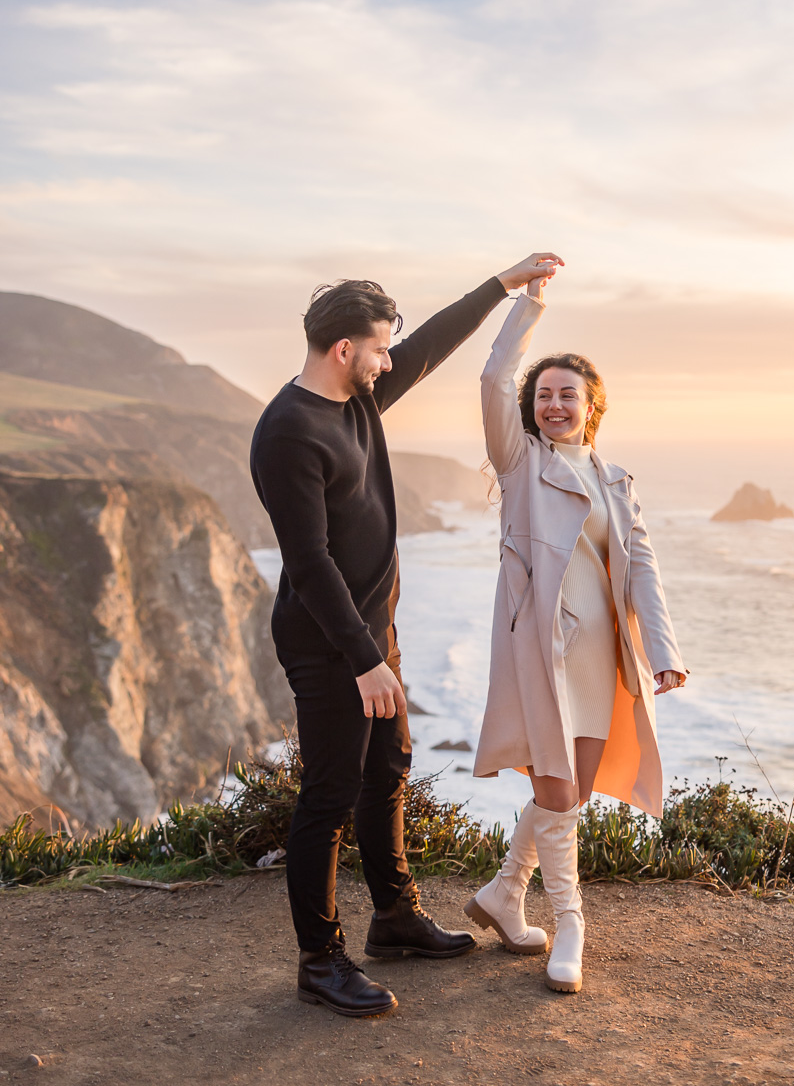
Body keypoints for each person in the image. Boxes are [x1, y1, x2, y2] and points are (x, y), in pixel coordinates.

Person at [250, 253, 561, 1018]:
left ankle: (394, 918)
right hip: (329, 642)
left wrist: (503, 285)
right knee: (328, 793)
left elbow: (429, 344)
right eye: (378, 348)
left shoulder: (358, 395)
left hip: (371, 630)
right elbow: (310, 560)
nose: (391, 360)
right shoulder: (288, 431)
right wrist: (363, 661)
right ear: (343, 350)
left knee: (389, 766)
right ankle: (320, 961)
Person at [464, 267, 686, 994]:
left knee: (573, 791)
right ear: (532, 407)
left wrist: (663, 653)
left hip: (603, 659)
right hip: (544, 654)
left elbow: (643, 569)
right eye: (545, 394)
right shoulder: (522, 464)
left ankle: (503, 891)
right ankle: (570, 925)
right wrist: (528, 300)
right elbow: (497, 376)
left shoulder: (617, 481)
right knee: (557, 793)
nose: (554, 403)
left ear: (592, 408)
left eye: (569, 394)